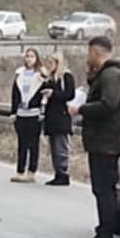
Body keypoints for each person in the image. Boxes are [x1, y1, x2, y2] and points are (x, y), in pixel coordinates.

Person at [68, 36, 120, 238]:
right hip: (104, 139)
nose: (88, 58)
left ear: (96, 52)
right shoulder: (107, 74)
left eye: (89, 53)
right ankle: (105, 230)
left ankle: (105, 235)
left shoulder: (112, 75)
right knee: (104, 188)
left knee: (103, 189)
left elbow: (109, 104)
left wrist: (81, 109)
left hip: (106, 140)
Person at [10, 48, 49, 183]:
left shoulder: (41, 74)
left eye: (32, 56)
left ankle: (31, 171)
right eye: (27, 56)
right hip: (21, 113)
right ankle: (20, 170)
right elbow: (14, 94)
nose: (29, 59)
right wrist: (13, 111)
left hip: (34, 113)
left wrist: (42, 111)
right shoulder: (19, 74)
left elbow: (45, 93)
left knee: (33, 144)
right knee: (22, 143)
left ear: (37, 58)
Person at [42, 53, 76, 187]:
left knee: (61, 146)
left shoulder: (66, 76)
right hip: (51, 115)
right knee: (53, 147)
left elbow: (70, 94)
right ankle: (57, 172)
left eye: (51, 63)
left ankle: (63, 173)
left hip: (61, 115)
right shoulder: (49, 78)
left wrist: (53, 94)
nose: (49, 66)